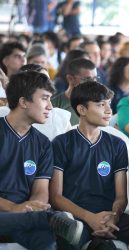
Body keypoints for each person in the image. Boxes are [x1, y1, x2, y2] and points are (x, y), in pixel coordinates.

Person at [50, 80, 129, 249]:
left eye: (109, 104)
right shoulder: (61, 143)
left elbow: (121, 197)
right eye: (100, 105)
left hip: (108, 215)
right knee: (69, 237)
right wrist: (89, 218)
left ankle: (100, 242)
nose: (109, 110)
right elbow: (55, 196)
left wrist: (113, 217)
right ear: (82, 109)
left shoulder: (117, 144)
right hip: (73, 216)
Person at [0, 71, 83, 249]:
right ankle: (47, 218)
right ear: (23, 102)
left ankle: (44, 218)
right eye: (45, 98)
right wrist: (15, 208)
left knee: (46, 241)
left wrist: (31, 207)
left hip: (25, 216)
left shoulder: (43, 143)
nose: (50, 107)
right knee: (49, 223)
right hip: (9, 213)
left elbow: (41, 189)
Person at [51, 58, 97, 125]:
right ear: (70, 79)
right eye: (87, 79)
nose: (93, 83)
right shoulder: (54, 106)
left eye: (95, 78)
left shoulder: (99, 104)